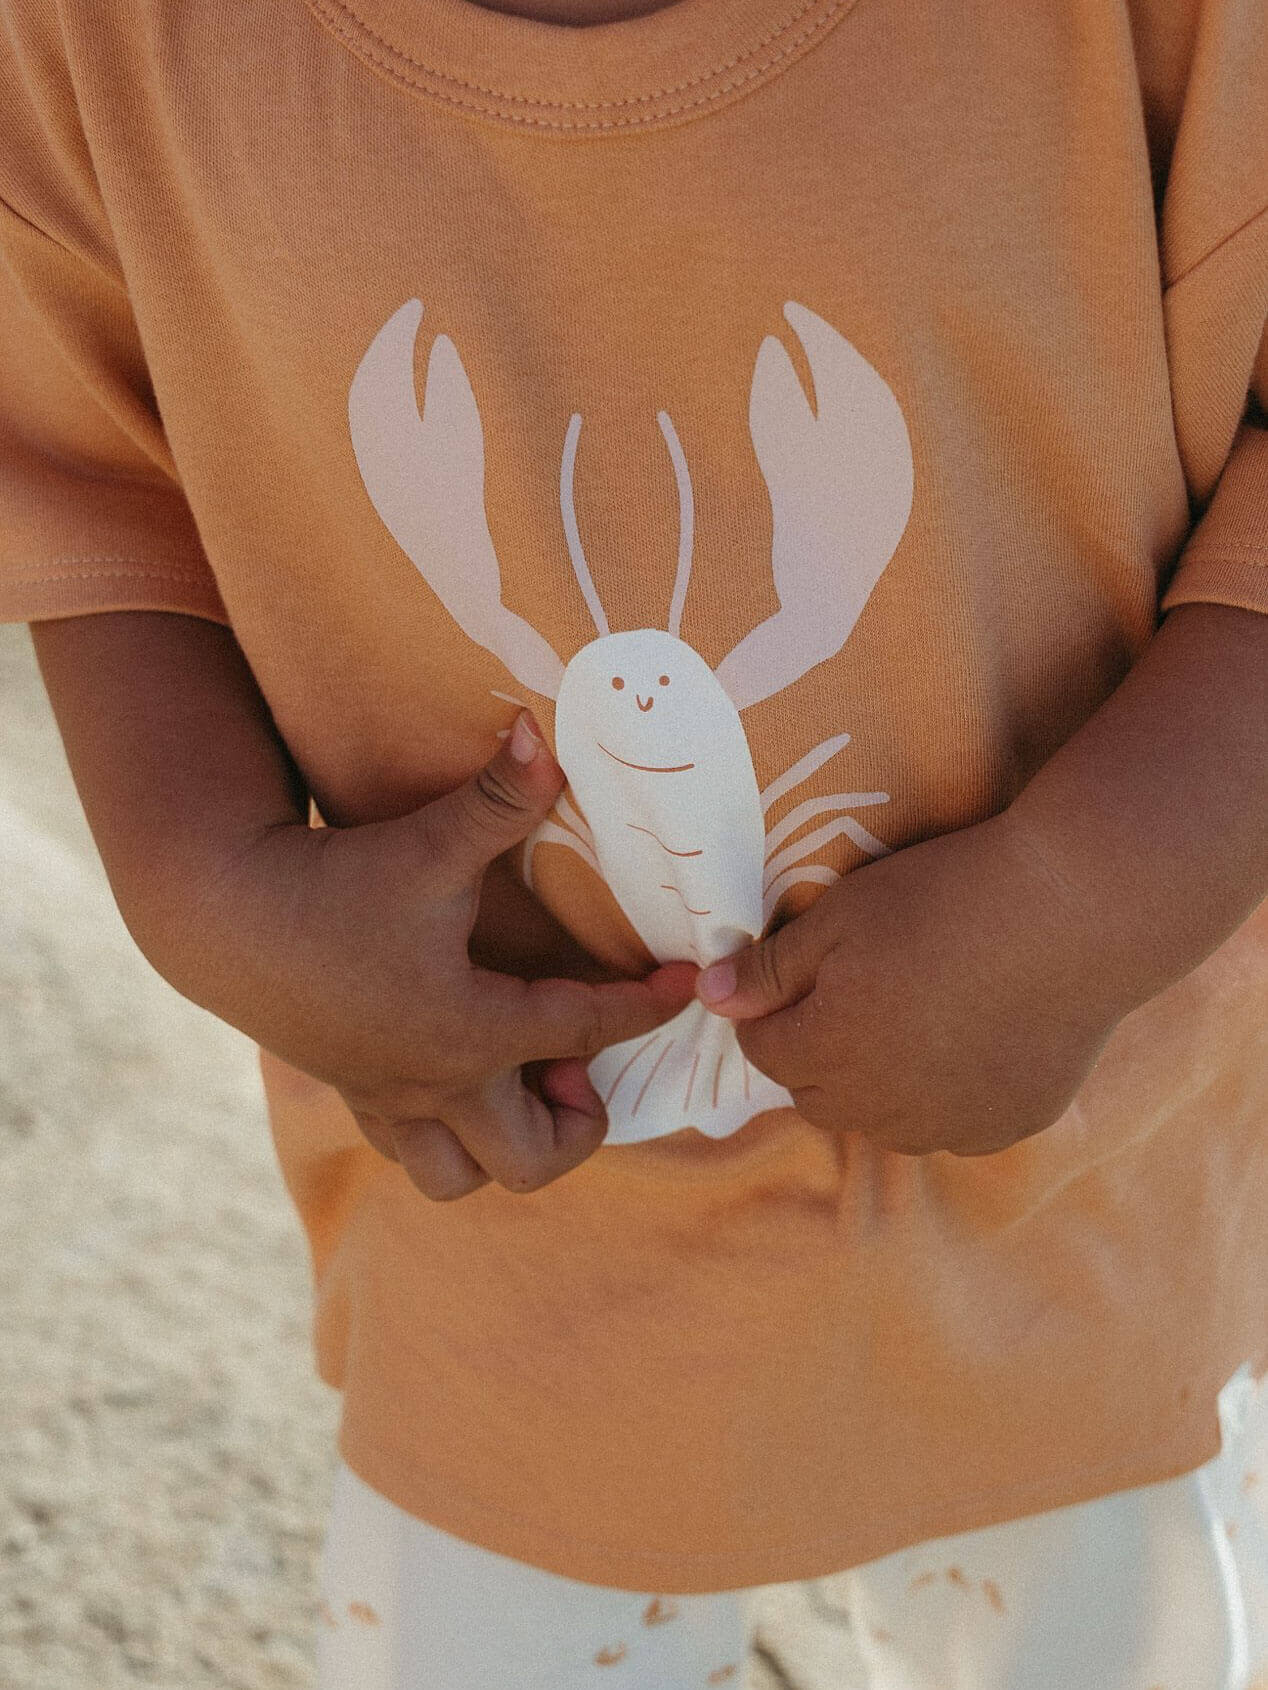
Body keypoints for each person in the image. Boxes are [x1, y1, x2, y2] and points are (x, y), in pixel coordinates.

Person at [1, 0, 1265, 1682]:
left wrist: (1083, 901)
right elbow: (87, 482)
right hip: (511, 1225)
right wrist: (213, 888)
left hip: (1072, 1205)